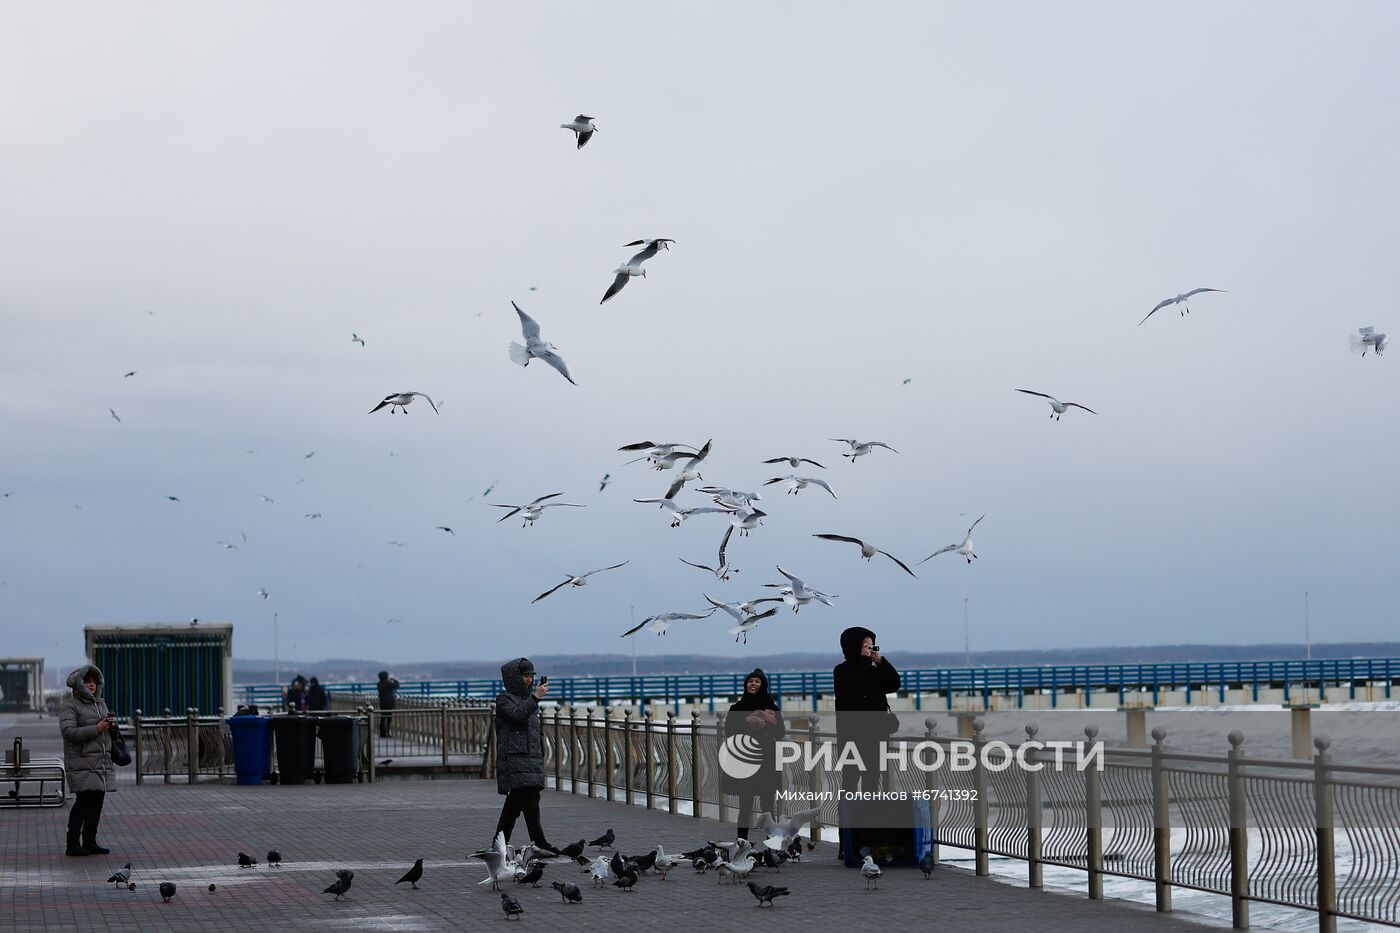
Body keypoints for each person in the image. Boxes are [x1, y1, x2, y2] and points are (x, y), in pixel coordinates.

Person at [492, 658, 559, 855]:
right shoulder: (504, 699)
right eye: (525, 676)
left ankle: (498, 844)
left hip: (530, 760)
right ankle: (539, 841)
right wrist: (536, 698)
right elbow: (517, 716)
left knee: (514, 805)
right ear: (515, 677)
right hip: (514, 759)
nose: (529, 680)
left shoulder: (528, 698)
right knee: (530, 798)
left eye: (531, 676)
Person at [833, 626, 901, 796]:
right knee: (849, 786)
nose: (871, 650)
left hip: (875, 739)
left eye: (873, 646)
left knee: (871, 787)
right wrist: (863, 660)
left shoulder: (874, 670)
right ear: (854, 646)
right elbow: (855, 687)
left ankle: (868, 821)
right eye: (866, 646)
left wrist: (881, 662)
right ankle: (848, 822)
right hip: (852, 739)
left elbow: (894, 684)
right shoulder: (841, 671)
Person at [59, 664, 117, 856]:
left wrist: (112, 726)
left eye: (94, 681)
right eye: (87, 681)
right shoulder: (70, 706)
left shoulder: (100, 704)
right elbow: (68, 732)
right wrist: (97, 728)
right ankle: (73, 844)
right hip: (81, 762)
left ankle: (90, 841)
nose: (91, 685)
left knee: (97, 802)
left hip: (100, 761)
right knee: (82, 803)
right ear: (79, 684)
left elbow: (106, 731)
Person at [721, 668, 786, 840]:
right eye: (750, 681)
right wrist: (747, 723)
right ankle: (742, 842)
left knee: (767, 805)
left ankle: (772, 843)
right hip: (746, 760)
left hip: (767, 761)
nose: (753, 684)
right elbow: (729, 731)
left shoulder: (772, 708)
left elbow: (780, 733)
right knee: (745, 805)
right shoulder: (737, 708)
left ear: (763, 685)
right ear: (745, 685)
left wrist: (764, 726)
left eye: (757, 681)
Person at [377, 671, 399, 738]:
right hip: (389, 703)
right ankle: (387, 732)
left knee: (383, 718)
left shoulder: (379, 684)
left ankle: (382, 733)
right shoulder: (388, 683)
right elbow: (397, 686)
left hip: (382, 703)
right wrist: (394, 680)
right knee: (389, 718)